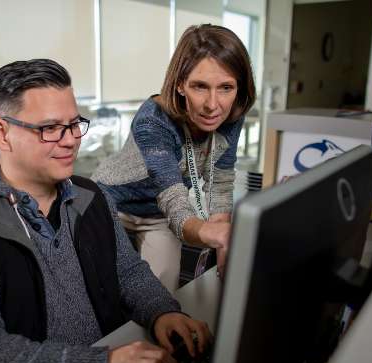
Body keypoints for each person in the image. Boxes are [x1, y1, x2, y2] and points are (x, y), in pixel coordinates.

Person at [0, 59, 211, 363]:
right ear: (1, 133)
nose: (70, 141)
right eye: (50, 128)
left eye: (74, 125)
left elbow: (126, 272)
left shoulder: (91, 195)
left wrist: (162, 311)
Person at [92, 24, 257, 290]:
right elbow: (174, 200)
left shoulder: (230, 115)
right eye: (200, 87)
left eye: (226, 87)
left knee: (163, 292)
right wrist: (210, 233)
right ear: (180, 84)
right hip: (112, 204)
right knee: (106, 290)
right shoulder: (153, 120)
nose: (213, 105)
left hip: (158, 215)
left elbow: (221, 181)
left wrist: (224, 245)